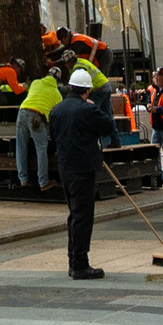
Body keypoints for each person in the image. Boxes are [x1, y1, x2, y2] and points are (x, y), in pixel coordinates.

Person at [51, 66, 111, 279]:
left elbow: (54, 138)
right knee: (83, 217)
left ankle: (73, 261)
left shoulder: (56, 110)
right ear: (86, 91)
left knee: (74, 215)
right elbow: (108, 126)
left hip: (66, 169)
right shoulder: (88, 109)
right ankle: (79, 264)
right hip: (83, 169)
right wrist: (94, 108)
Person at [15, 58, 61, 192]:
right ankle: (43, 182)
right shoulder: (57, 94)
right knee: (41, 148)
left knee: (20, 147)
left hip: (22, 112)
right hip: (37, 116)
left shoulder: (35, 83)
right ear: (56, 80)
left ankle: (23, 180)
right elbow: (56, 114)